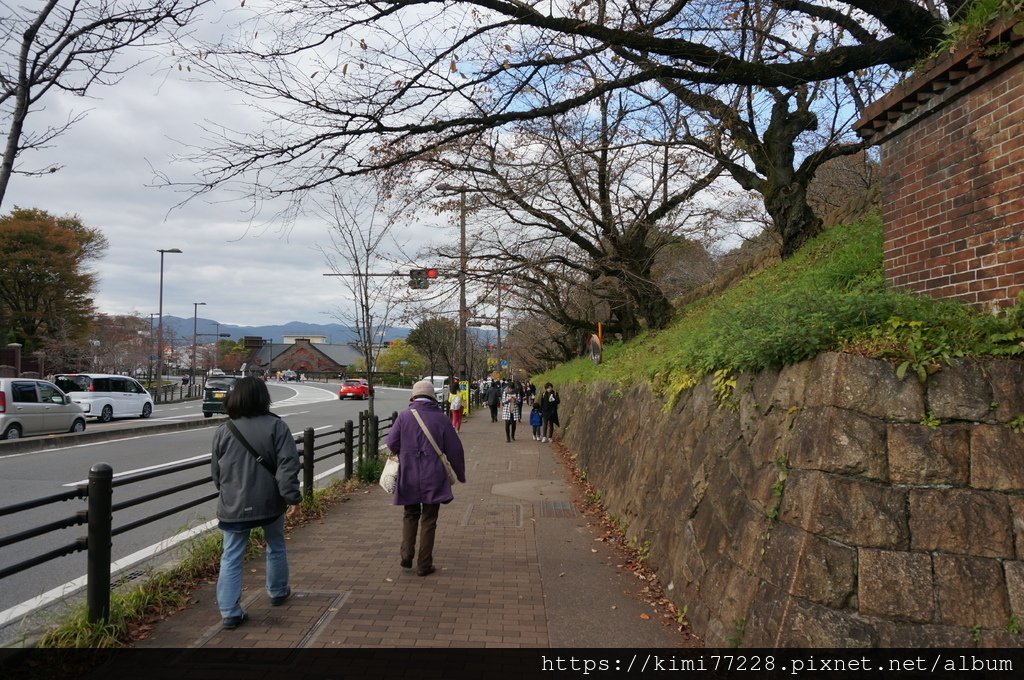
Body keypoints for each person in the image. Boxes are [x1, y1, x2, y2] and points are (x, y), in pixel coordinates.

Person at [211, 377, 301, 630]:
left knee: (231, 556)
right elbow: (288, 466)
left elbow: (217, 474)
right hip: (269, 502)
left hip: (234, 504)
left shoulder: (224, 430)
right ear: (263, 398)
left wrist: (229, 493)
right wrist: (291, 497)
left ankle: (229, 611)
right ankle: (278, 591)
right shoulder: (276, 426)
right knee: (275, 544)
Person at [386, 380, 466, 577]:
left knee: (410, 514)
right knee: (429, 519)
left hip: (409, 473)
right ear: (433, 397)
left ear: (413, 396)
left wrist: (406, 452)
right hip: (434, 475)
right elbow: (455, 449)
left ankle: (406, 554)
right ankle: (424, 564)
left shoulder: (404, 416)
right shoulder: (441, 418)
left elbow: (391, 443)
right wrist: (460, 473)